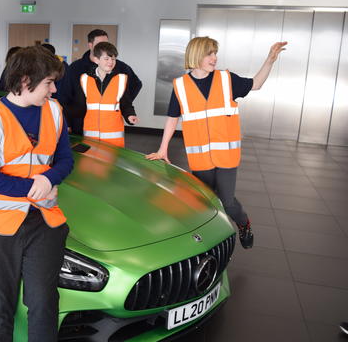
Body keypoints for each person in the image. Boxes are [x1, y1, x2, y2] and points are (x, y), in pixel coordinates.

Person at [0, 45, 73, 341]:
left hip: (45, 224)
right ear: (26, 81)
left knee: (43, 304)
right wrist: (34, 186)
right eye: (48, 83)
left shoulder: (55, 112)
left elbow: (66, 159)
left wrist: (49, 177)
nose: (53, 90)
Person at [145, 36, 287, 249]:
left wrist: (270, 60)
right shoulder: (181, 86)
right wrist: (163, 149)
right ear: (196, 55)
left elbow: (256, 84)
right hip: (200, 158)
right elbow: (173, 117)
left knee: (227, 203)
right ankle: (210, 243)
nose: (214, 58)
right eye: (209, 53)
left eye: (215, 53)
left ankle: (243, 224)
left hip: (227, 157)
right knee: (204, 203)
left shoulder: (226, 79)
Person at [58, 29, 142, 135]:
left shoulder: (120, 67)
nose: (103, 46)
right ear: (90, 45)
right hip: (80, 124)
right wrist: (67, 122)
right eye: (99, 44)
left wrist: (118, 104)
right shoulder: (76, 68)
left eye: (106, 43)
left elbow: (135, 86)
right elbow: (65, 97)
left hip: (109, 126)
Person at [76, 42, 138, 147]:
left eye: (113, 59)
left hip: (113, 139)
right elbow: (79, 107)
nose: (110, 62)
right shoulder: (85, 79)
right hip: (91, 138)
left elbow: (126, 103)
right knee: (92, 163)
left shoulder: (121, 79)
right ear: (96, 60)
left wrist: (130, 115)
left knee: (111, 162)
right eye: (107, 59)